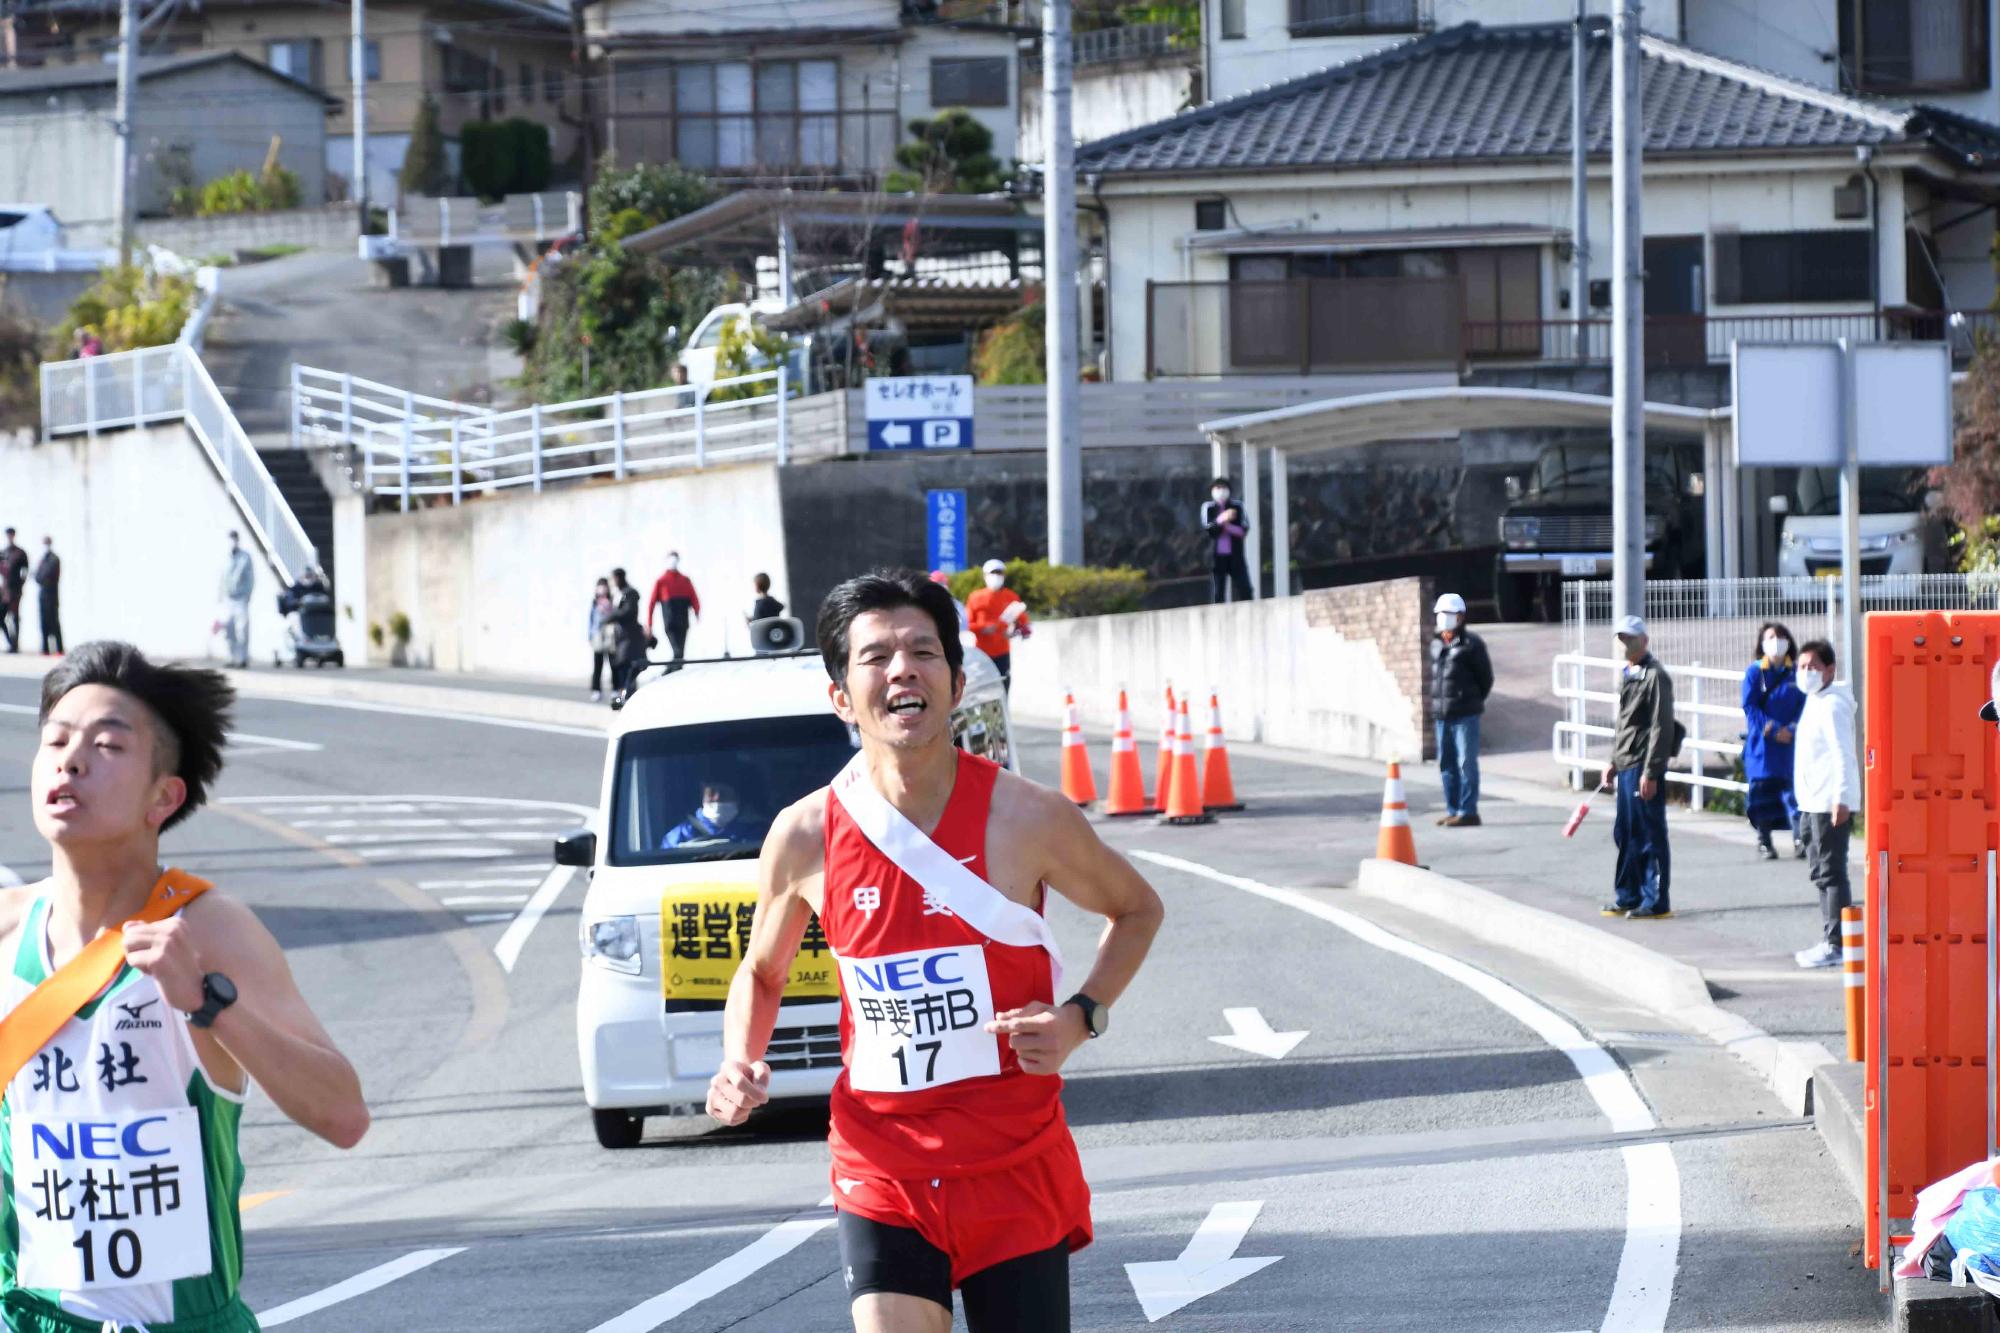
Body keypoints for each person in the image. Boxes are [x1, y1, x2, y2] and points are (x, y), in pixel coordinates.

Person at [706, 571, 1164, 1332]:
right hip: (881, 1163)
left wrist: (1080, 1016)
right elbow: (761, 971)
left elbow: (1138, 908)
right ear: (842, 698)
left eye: (922, 651)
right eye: (876, 656)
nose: (901, 669)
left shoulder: (1028, 817)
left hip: (1012, 1161)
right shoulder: (806, 834)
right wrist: (737, 1060)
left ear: (955, 681)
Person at [6, 641, 367, 1330]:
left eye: (107, 744)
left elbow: (343, 1114)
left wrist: (208, 1001)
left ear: (163, 796)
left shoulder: (211, 930)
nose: (70, 759)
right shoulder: (6, 934)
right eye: (55, 739)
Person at [1601, 615, 1678, 922]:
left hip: (1643, 764)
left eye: (1630, 638)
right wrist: (1613, 762)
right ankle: (1628, 894)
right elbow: (1624, 725)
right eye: (1621, 639)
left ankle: (1656, 899)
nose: (1625, 644)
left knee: (1648, 833)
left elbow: (1661, 726)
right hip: (1627, 762)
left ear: (1644, 641)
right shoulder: (1629, 674)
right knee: (1626, 832)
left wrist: (1652, 771)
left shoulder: (1655, 676)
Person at [1790, 639, 1859, 969]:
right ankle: (1831, 938)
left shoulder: (1832, 704)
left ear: (1830, 670)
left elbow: (1842, 754)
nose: (1806, 673)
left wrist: (1841, 799)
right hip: (1811, 800)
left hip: (1828, 801)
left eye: (1813, 667)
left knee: (1832, 873)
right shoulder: (1815, 700)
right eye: (1802, 667)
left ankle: (1837, 943)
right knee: (1821, 872)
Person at [1741, 621, 1805, 861]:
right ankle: (1764, 841)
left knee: (1793, 794)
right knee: (1762, 793)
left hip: (1789, 744)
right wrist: (1771, 728)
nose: (1776, 641)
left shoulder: (1796, 672)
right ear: (1762, 643)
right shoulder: (1755, 672)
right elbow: (1750, 705)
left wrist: (1792, 728)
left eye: (1780, 636)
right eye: (1770, 637)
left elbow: (1803, 703)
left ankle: (1800, 839)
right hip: (1763, 745)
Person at [1429, 592, 1493, 828]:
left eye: (1449, 614)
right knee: (1446, 764)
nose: (1444, 618)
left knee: (1466, 762)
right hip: (1442, 714)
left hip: (1466, 713)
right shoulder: (1436, 644)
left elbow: (1486, 679)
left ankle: (1468, 811)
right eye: (1441, 614)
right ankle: (1453, 808)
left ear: (1461, 617)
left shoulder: (1472, 644)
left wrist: (1470, 700)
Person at [964, 559, 1030, 690]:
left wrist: (1013, 631)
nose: (996, 576)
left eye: (999, 573)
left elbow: (1023, 623)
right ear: (985, 576)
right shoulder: (975, 597)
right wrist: (983, 628)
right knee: (982, 688)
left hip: (1002, 652)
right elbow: (967, 624)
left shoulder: (1011, 597)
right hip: (982, 652)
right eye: (992, 573)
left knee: (1003, 687)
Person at [660, 781, 760, 849]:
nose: (717, 798)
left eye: (723, 793)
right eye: (711, 793)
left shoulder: (758, 832)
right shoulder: (678, 836)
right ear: (703, 797)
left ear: (737, 799)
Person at [1200, 478, 1251, 604]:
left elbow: (1243, 530)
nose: (1221, 491)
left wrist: (1228, 526)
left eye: (1223, 488)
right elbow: (1209, 529)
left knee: (1245, 588)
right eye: (1217, 488)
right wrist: (1221, 519)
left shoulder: (1237, 506)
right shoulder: (1208, 507)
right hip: (1217, 557)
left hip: (1235, 555)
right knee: (1218, 592)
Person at [648, 551, 702, 664]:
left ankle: (676, 665)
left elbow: (694, 597)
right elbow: (652, 603)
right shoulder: (661, 581)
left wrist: (697, 612)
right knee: (677, 648)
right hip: (670, 620)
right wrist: (649, 623)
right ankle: (675, 665)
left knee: (680, 650)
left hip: (683, 620)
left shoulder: (685, 580)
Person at [607, 567, 649, 696]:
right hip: (620, 638)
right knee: (621, 668)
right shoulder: (618, 593)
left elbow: (628, 611)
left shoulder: (630, 593)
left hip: (629, 638)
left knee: (629, 668)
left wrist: (611, 617)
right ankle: (625, 694)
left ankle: (629, 696)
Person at [217, 532, 254, 670]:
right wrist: (219, 597)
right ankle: (232, 657)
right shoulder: (225, 558)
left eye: (234, 540)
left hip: (241, 599)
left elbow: (250, 578)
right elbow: (221, 578)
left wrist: (248, 595)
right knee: (228, 630)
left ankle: (243, 658)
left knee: (242, 629)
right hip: (228, 600)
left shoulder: (245, 557)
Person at [0, 528, 28, 654]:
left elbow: (25, 571)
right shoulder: (3, 552)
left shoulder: (20, 553)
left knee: (15, 617)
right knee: (2, 617)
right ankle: (11, 642)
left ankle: (15, 645)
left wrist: (21, 586)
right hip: (4, 591)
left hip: (15, 590)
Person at [587, 577, 615, 702]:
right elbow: (591, 619)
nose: (602, 588)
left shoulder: (611, 600)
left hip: (609, 636)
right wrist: (590, 636)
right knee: (597, 665)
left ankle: (615, 688)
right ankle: (596, 690)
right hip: (598, 636)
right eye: (600, 586)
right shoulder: (595, 602)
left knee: (613, 664)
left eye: (604, 586)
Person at [32, 536, 60, 656]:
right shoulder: (42, 559)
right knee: (43, 622)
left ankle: (59, 648)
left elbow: (46, 575)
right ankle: (45, 648)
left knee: (54, 622)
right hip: (43, 595)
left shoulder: (54, 559)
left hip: (52, 595)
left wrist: (41, 576)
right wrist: (40, 576)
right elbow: (37, 576)